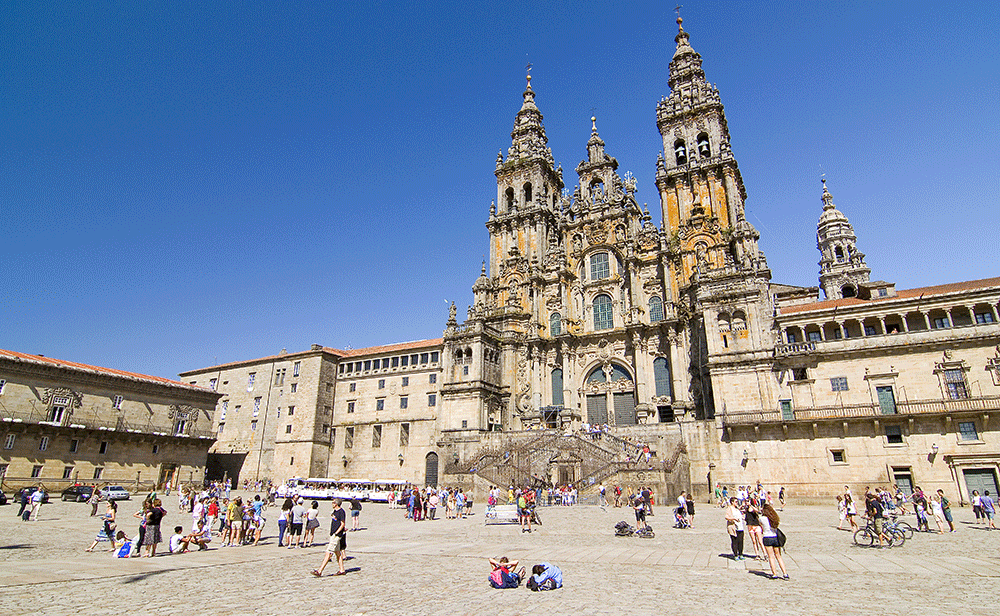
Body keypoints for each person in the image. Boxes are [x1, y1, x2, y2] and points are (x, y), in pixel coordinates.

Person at [312, 499, 347, 577]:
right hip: (333, 534)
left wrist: (337, 532)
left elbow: (342, 523)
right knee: (338, 553)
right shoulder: (334, 511)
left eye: (333, 502)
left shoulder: (341, 512)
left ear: (336, 504)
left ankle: (319, 571)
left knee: (328, 552)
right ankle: (342, 570)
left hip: (336, 536)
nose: (332, 504)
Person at [759, 503, 788, 579]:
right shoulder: (775, 518)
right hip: (775, 537)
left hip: (767, 537)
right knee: (779, 556)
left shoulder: (762, 518)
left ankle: (774, 573)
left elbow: (761, 528)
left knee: (771, 557)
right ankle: (785, 573)